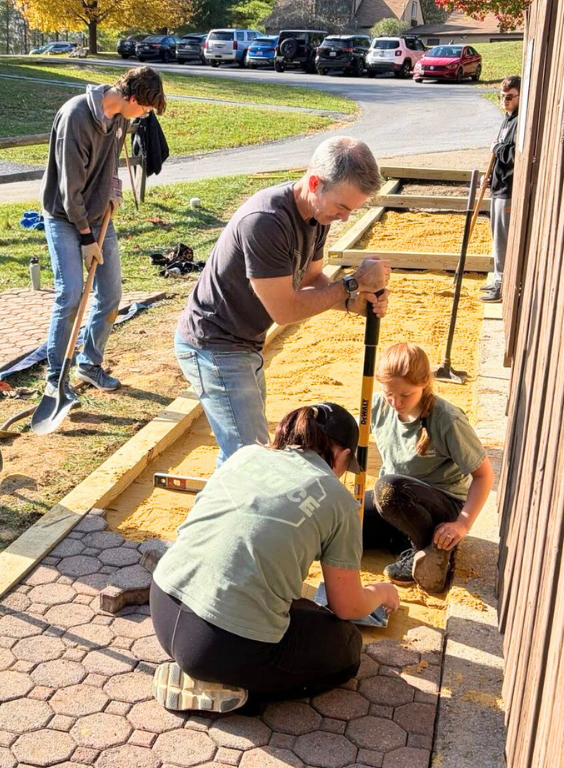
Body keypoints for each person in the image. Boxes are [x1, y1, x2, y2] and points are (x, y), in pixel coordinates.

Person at [151, 402, 401, 714]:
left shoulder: (246, 454)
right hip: (219, 646)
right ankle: (236, 692)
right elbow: (347, 606)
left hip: (163, 606)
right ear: (341, 455)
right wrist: (381, 593)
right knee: (347, 647)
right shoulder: (337, 499)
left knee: (288, 606)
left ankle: (205, 670)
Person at [175, 137, 392, 465]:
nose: (346, 218)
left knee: (240, 452)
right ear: (315, 183)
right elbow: (286, 309)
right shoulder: (266, 221)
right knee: (250, 461)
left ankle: (213, 512)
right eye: (343, 207)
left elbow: (311, 281)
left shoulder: (316, 216)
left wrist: (353, 302)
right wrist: (353, 282)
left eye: (352, 210)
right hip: (214, 345)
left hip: (244, 343)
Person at [40, 66, 165, 401]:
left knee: (110, 294)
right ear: (133, 98)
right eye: (146, 109)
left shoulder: (120, 118)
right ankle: (56, 378)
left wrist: (114, 190)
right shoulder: (76, 118)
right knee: (70, 295)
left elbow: (110, 163)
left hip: (97, 215)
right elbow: (69, 189)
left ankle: (89, 364)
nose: (145, 116)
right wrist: (85, 238)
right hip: (65, 217)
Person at [365, 342, 493, 593]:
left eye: (405, 395)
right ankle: (403, 540)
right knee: (343, 522)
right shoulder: (378, 406)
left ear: (424, 384)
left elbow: (484, 475)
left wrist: (462, 524)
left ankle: (432, 550)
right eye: (389, 392)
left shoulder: (447, 419)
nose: (396, 402)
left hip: (439, 504)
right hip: (394, 506)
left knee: (389, 488)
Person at [482, 75, 520, 303]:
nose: (505, 101)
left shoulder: (519, 122)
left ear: (520, 96)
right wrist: (489, 177)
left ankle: (502, 285)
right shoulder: (506, 120)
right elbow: (499, 153)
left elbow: (514, 155)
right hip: (497, 186)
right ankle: (497, 279)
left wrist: (498, 149)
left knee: (503, 241)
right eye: (502, 96)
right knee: (496, 238)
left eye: (509, 97)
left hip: (508, 188)